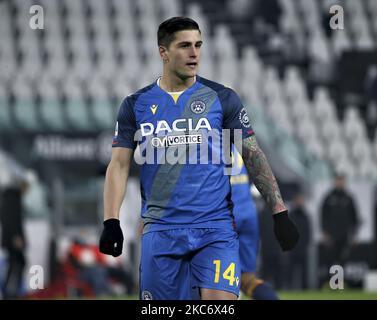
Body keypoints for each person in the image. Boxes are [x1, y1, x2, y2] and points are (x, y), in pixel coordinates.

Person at [99, 16, 299, 300]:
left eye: (198, 45)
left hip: (215, 228)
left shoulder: (222, 98)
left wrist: (279, 213)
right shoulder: (135, 105)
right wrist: (111, 221)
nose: (194, 53)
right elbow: (118, 165)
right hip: (161, 230)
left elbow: (252, 154)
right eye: (184, 46)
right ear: (163, 52)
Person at [230, 148, 278, 300]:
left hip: (227, 216)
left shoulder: (212, 144)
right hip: (248, 214)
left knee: (214, 277)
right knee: (247, 279)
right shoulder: (239, 146)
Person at [320, 173, 359, 267]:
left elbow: (354, 218)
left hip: (345, 235)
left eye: (342, 180)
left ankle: (341, 282)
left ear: (345, 182)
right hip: (332, 236)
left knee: (343, 260)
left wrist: (354, 235)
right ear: (335, 181)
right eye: (338, 180)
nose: (340, 182)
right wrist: (325, 233)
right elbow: (323, 216)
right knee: (331, 261)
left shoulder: (349, 198)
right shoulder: (328, 198)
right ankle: (332, 281)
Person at [0, 181, 28, 299]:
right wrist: (17, 237)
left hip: (10, 239)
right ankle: (11, 291)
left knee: (16, 264)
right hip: (13, 240)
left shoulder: (7, 199)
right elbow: (14, 222)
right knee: (18, 263)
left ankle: (10, 290)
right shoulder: (13, 200)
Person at [287, 191, 311, 290]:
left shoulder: (305, 215)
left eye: (301, 199)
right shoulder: (290, 216)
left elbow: (309, 232)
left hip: (303, 248)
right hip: (293, 248)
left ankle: (305, 289)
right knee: (291, 271)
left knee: (304, 271)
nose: (299, 201)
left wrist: (306, 245)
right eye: (298, 199)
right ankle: (290, 288)